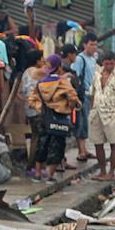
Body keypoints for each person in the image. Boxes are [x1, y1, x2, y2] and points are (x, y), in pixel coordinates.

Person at [29, 54, 80, 183]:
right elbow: (73, 98)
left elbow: (32, 99)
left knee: (42, 143)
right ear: (60, 66)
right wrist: (67, 107)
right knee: (56, 146)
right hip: (59, 119)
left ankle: (38, 173)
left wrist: (41, 108)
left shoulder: (40, 83)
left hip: (45, 118)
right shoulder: (63, 83)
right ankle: (51, 176)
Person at [88, 50, 115, 181]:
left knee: (114, 144)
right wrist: (92, 109)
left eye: (112, 63)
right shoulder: (97, 74)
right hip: (97, 112)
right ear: (103, 63)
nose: (109, 66)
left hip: (111, 113)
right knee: (98, 143)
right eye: (107, 63)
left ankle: (111, 172)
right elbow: (93, 93)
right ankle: (102, 171)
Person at [18, 49, 47, 173]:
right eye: (42, 58)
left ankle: (32, 166)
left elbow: (19, 93)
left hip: (29, 110)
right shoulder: (38, 72)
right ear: (37, 60)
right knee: (40, 138)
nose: (43, 61)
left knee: (35, 136)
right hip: (38, 110)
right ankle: (36, 166)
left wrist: (26, 100)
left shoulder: (25, 73)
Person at [70, 34, 98, 162]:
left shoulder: (92, 59)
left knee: (86, 122)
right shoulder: (80, 59)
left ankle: (85, 149)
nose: (94, 47)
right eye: (91, 44)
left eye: (95, 44)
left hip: (90, 94)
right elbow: (75, 76)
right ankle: (81, 151)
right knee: (80, 122)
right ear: (85, 44)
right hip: (82, 94)